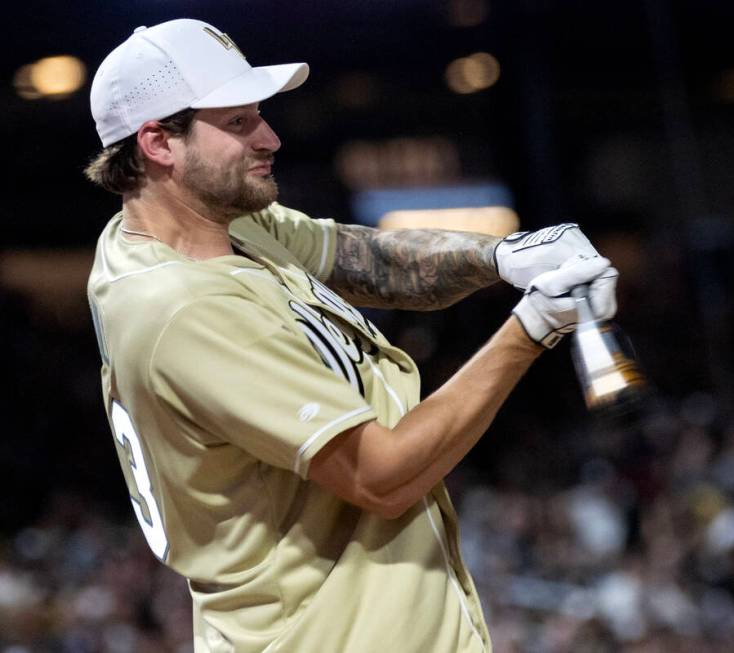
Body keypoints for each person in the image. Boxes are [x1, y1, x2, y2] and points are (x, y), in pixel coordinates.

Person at [84, 18, 618, 653]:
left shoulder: (199, 229)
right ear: (158, 143)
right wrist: (530, 330)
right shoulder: (179, 306)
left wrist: (503, 257)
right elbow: (381, 476)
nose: (269, 137)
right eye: (238, 123)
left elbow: (359, 257)